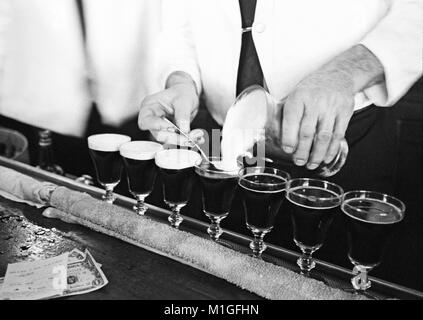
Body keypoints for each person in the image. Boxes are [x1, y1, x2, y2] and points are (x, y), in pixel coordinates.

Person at [138, 0, 422, 172]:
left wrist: (345, 73)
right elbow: (178, 22)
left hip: (340, 143)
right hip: (221, 139)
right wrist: (181, 79)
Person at [0, 0, 162, 177]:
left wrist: (159, 98)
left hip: (127, 105)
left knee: (124, 192)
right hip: (38, 113)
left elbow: (159, 27)